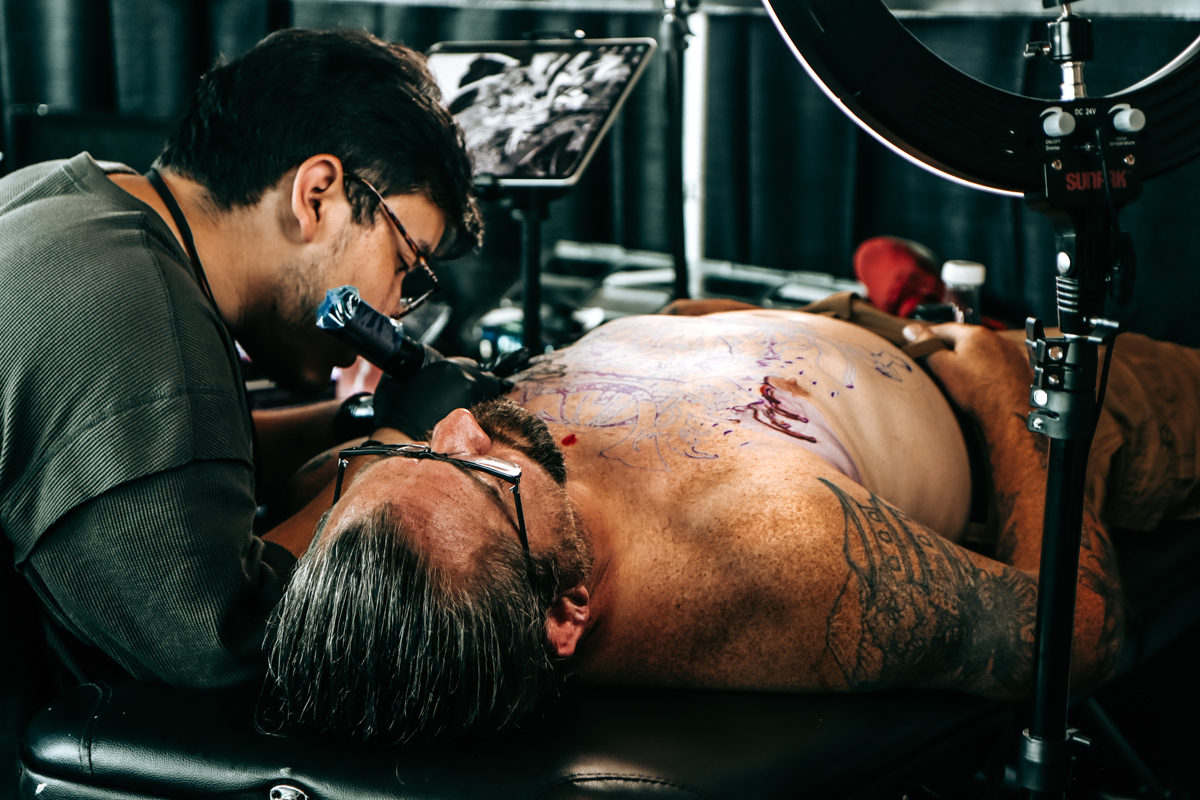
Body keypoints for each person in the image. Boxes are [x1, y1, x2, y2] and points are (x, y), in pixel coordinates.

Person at [266, 302, 1200, 744]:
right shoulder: (775, 552)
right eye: (480, 475)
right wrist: (1007, 392)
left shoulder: (374, 534)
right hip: (987, 392)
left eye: (412, 454)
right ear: (566, 610)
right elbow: (1073, 641)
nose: (458, 427)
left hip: (787, 330)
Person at [0, 28, 505, 688]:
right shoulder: (137, 309)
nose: (392, 310)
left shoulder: (69, 196)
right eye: (405, 266)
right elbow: (225, 648)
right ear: (316, 195)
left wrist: (354, 420)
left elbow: (176, 455)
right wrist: (393, 450)